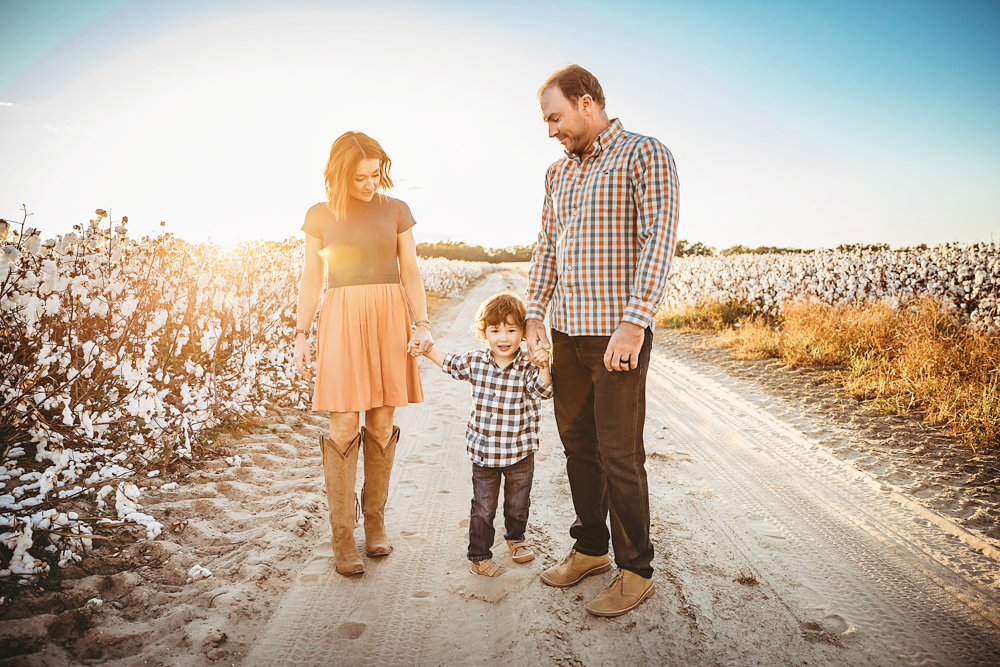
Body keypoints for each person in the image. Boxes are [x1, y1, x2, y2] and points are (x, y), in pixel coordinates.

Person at [525, 65, 680, 616]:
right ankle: (591, 548)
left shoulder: (645, 154)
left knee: (620, 454)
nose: (550, 130)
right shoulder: (556, 175)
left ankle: (636, 569)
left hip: (617, 336)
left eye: (555, 117)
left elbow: (659, 242)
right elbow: (547, 246)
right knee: (579, 449)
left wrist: (635, 323)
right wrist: (535, 314)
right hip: (566, 333)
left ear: (586, 102)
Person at [293, 131, 434, 577]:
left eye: (375, 175)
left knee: (381, 420)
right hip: (340, 316)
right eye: (359, 178)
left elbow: (409, 268)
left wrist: (423, 323)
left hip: (389, 315)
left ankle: (375, 524)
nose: (370, 184)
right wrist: (301, 334)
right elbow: (312, 277)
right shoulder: (320, 215)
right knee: (342, 423)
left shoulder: (396, 211)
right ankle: (342, 536)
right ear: (339, 175)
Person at [415, 292, 553, 576]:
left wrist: (544, 366)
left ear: (524, 334)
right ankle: (479, 557)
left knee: (517, 503)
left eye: (512, 330)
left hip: (519, 452)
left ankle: (516, 539)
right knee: (483, 507)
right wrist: (427, 349)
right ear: (484, 333)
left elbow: (544, 391)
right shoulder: (476, 361)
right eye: (495, 330)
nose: (504, 337)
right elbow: (450, 362)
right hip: (484, 452)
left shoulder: (527, 365)